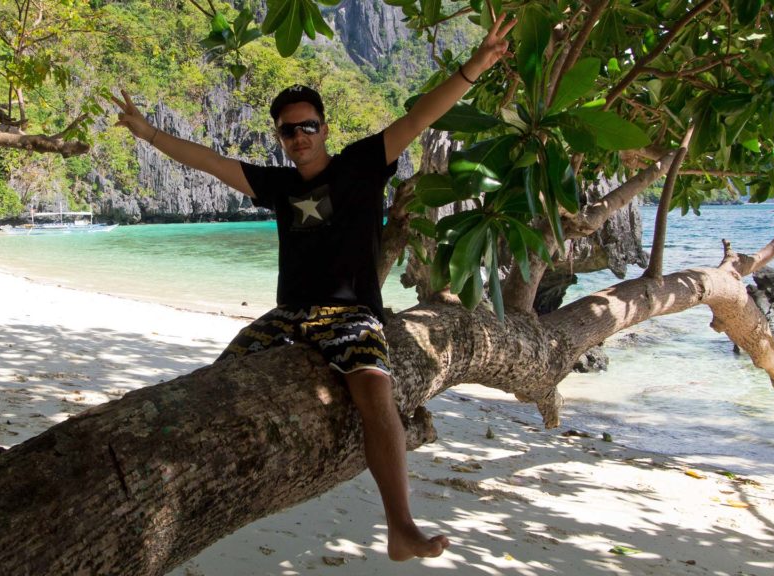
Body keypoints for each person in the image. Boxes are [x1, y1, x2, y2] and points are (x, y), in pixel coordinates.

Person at [111, 15, 516, 561]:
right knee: (217, 381)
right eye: (288, 129)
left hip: (351, 315)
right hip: (289, 316)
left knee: (374, 390)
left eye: (307, 126)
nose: (299, 136)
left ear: (325, 129)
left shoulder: (362, 166)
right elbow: (208, 162)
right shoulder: (276, 185)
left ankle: (400, 525)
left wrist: (477, 64)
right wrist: (149, 133)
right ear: (279, 137)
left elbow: (420, 117)